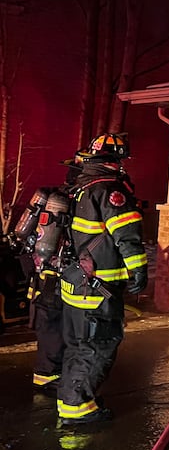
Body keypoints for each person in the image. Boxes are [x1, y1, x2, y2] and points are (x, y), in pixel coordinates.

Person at [57, 132, 147, 425]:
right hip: (99, 287)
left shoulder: (79, 187)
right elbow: (127, 236)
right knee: (98, 345)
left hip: (76, 283)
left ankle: (71, 399)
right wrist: (138, 271)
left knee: (78, 345)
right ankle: (77, 407)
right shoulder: (110, 190)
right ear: (115, 160)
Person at [24, 151, 88, 396]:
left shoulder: (54, 196)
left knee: (48, 322)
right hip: (57, 272)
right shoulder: (74, 202)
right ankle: (47, 376)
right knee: (55, 324)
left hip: (42, 270)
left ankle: (49, 373)